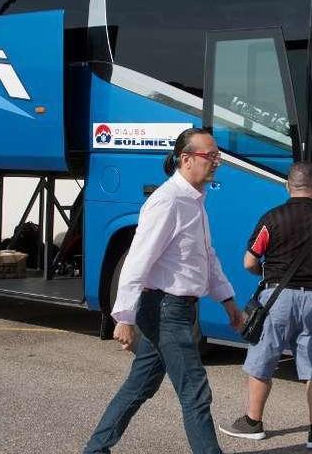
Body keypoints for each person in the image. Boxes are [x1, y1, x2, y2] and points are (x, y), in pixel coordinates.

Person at [83, 128, 243, 454]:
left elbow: (206, 257)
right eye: (209, 156)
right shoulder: (167, 201)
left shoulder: (194, 200)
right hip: (167, 311)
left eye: (217, 157)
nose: (216, 163)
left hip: (176, 310)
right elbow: (138, 260)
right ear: (185, 159)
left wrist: (229, 303)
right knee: (195, 391)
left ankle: (95, 450)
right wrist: (123, 316)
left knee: (138, 386)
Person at [219, 161, 312, 450]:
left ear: (288, 186)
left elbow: (249, 262)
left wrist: (266, 274)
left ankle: (253, 423)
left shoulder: (271, 218)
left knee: (264, 358)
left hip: (277, 297)